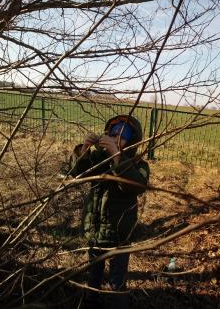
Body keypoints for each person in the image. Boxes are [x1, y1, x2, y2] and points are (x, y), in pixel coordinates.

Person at [68, 115, 150, 309]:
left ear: (132, 141)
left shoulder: (138, 164)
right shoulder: (98, 158)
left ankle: (117, 303)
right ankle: (91, 301)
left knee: (117, 280)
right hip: (96, 230)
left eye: (121, 136)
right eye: (112, 134)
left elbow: (136, 186)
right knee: (93, 274)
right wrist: (84, 150)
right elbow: (77, 172)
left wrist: (117, 156)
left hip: (119, 234)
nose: (115, 138)